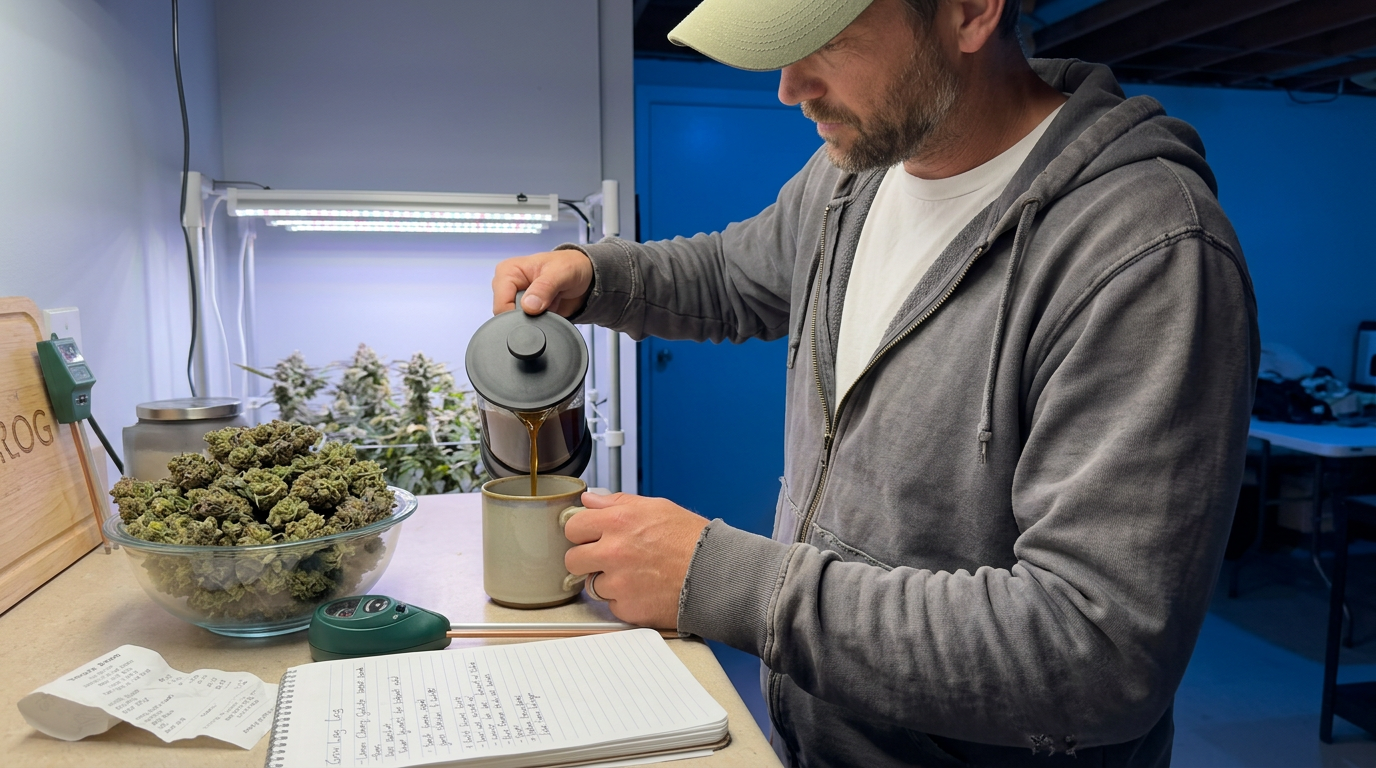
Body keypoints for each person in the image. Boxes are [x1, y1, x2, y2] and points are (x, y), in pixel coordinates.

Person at [490, 0, 1259, 765]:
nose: (790, 88)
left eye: (822, 41)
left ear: (969, 13)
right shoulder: (854, 173)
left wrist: (718, 577)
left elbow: (1095, 652)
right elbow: (733, 273)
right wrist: (596, 275)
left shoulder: (1147, 252)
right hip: (814, 741)